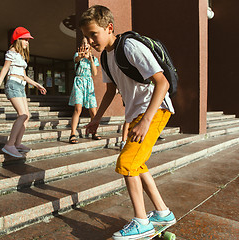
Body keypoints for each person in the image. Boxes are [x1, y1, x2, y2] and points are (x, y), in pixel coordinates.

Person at [79, 5, 176, 240]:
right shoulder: (105, 58)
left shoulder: (130, 46)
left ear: (109, 28)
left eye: (94, 34)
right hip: (135, 115)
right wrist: (97, 118)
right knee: (138, 164)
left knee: (127, 162)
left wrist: (146, 121)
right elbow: (111, 91)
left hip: (154, 111)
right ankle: (162, 213)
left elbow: (161, 83)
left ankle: (142, 223)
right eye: (87, 36)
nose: (91, 41)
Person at [0, 26, 47, 158]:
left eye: (28, 40)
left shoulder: (20, 56)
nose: (27, 42)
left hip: (20, 85)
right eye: (25, 40)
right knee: (22, 115)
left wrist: (37, 84)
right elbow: (5, 69)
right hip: (12, 85)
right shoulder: (11, 52)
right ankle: (9, 145)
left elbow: (24, 76)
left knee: (26, 115)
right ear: (18, 39)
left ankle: (17, 143)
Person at [68, 37, 101, 144]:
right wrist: (81, 56)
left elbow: (94, 73)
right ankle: (72, 133)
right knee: (78, 109)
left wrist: (90, 59)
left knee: (93, 111)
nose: (85, 45)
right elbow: (76, 60)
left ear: (90, 46)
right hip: (79, 82)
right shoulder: (77, 55)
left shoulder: (94, 59)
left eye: (87, 43)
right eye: (83, 43)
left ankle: (94, 132)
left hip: (89, 84)